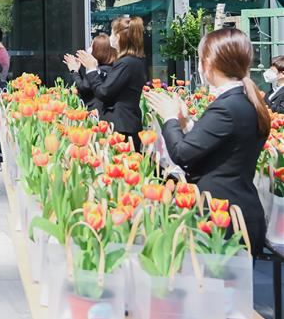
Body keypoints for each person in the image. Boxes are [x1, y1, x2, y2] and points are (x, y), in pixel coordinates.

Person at [145, 28, 270, 251]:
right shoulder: (242, 100)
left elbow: (182, 153)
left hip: (225, 218)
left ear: (209, 63)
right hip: (236, 210)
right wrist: (185, 123)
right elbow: (219, 145)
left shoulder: (227, 106)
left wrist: (170, 118)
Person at [76, 16, 147, 151]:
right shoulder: (135, 61)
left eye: (112, 34)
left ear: (120, 37)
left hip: (121, 126)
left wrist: (91, 69)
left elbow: (103, 92)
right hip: (128, 123)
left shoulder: (125, 63)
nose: (110, 38)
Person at [63, 33, 116, 113]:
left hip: (95, 113)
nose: (89, 49)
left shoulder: (97, 71)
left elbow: (84, 88)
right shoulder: (112, 70)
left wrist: (74, 71)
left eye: (92, 46)